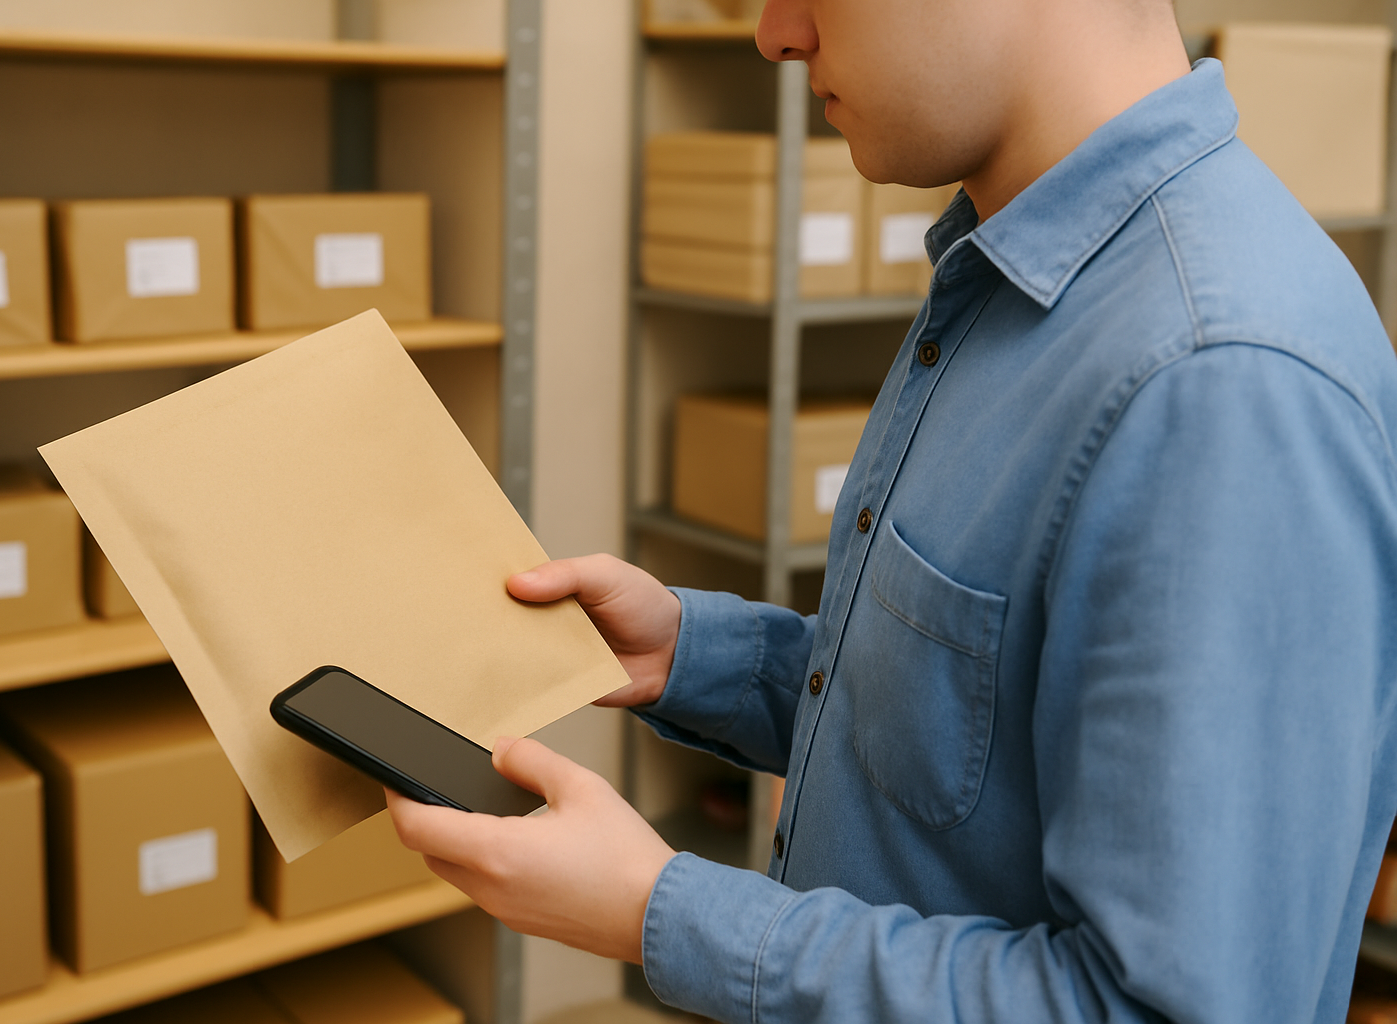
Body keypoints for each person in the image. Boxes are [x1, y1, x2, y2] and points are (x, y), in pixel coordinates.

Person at [386, 0, 1397, 1019]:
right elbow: (972, 734)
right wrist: (692, 655)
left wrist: (660, 907)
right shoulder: (1017, 278)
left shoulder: (1220, 378)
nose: (775, 34)